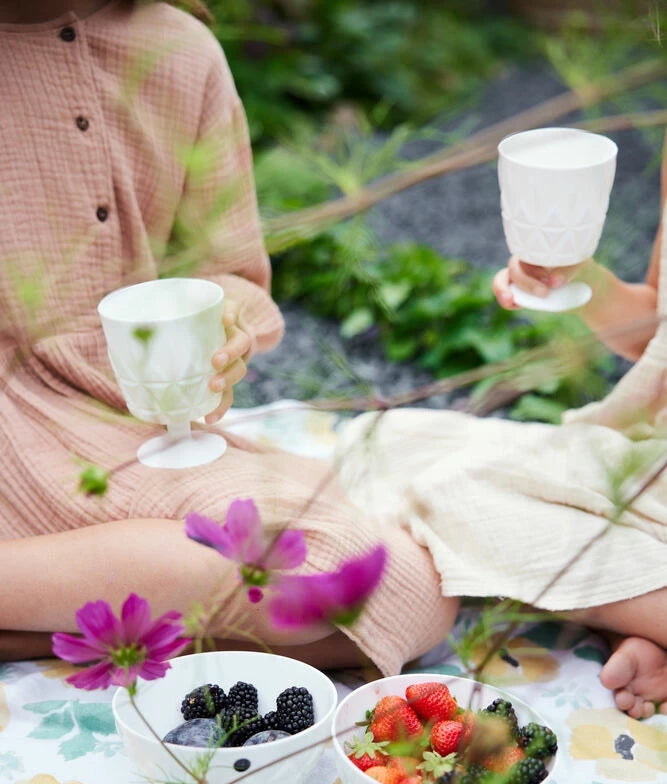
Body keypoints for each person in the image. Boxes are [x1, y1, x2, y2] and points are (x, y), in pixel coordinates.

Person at [0, 0, 458, 674]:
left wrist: (227, 324)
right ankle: (85, 603)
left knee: (402, 591)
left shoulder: (178, 50)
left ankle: (51, 619)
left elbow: (228, 272)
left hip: (120, 426)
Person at [337, 134, 667, 719]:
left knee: (448, 494)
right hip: (648, 448)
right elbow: (653, 333)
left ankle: (637, 604)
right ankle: (633, 604)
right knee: (388, 440)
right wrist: (574, 275)